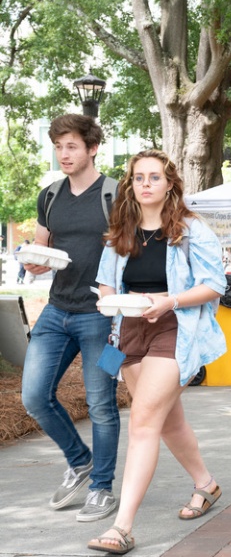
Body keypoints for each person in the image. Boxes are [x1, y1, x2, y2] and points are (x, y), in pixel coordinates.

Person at [87, 149, 227, 554]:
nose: (145, 184)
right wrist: (108, 302)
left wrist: (169, 301)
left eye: (154, 177)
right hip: (128, 330)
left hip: (174, 327)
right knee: (167, 422)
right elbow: (108, 285)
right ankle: (206, 484)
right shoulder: (121, 232)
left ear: (170, 184)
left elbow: (214, 285)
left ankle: (122, 527)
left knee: (143, 423)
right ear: (130, 184)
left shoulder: (191, 230)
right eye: (138, 178)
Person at [20, 114, 121, 523]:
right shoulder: (49, 196)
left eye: (72, 146)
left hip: (100, 315)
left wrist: (122, 311)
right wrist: (36, 262)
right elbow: (43, 249)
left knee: (101, 404)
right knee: (33, 397)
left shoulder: (116, 195)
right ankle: (80, 462)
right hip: (57, 311)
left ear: (92, 148)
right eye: (59, 146)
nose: (64, 153)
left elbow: (132, 248)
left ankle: (102, 487)